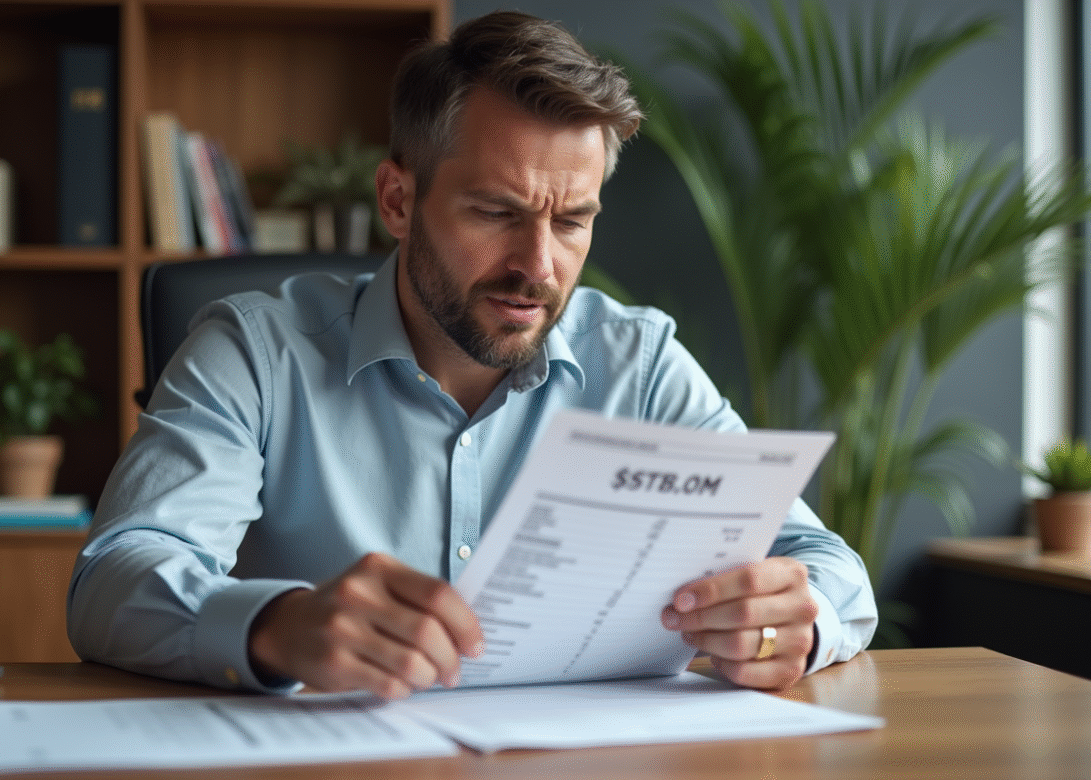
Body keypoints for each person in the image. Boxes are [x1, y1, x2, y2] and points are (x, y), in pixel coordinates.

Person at [67, 10, 876, 700]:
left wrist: (794, 629)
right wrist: (275, 627)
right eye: (496, 211)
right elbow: (115, 578)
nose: (539, 266)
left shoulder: (641, 362)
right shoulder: (253, 352)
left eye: (571, 222)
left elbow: (825, 566)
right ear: (397, 198)